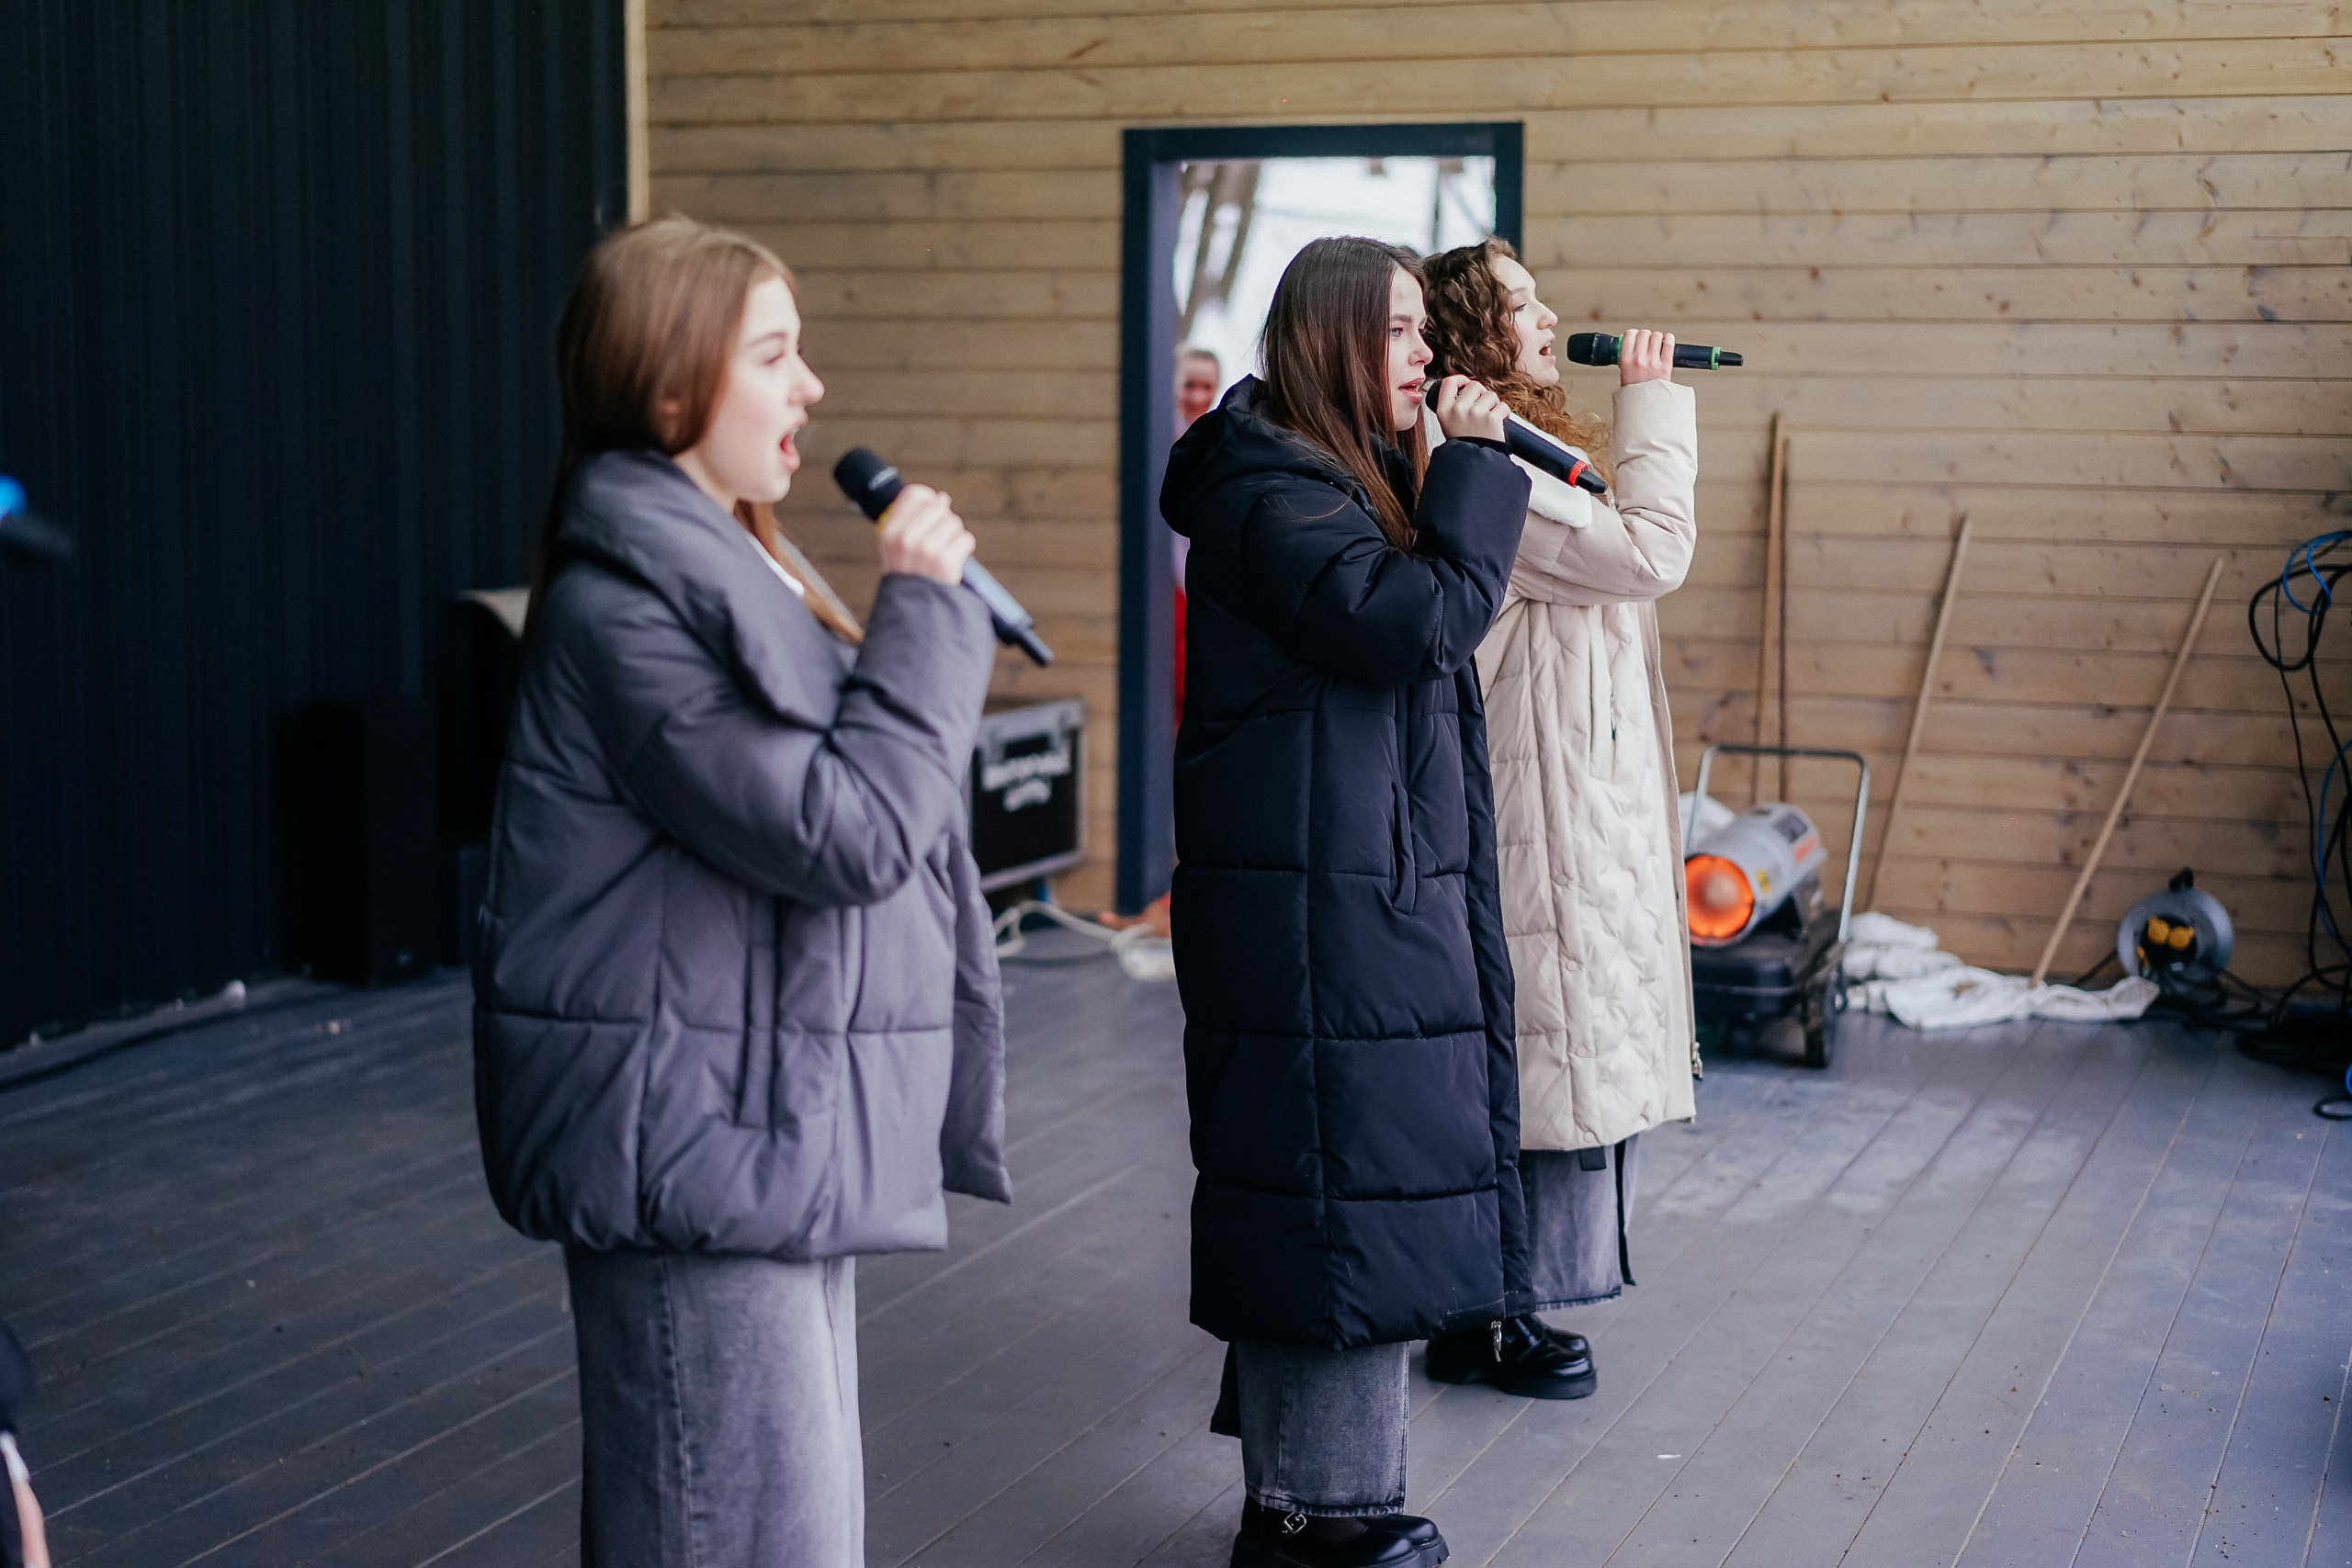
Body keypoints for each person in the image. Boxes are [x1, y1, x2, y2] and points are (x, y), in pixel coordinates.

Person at [472, 215, 1010, 1568]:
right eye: (774, 353)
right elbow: (846, 829)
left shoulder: (740, 562)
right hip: (696, 1154)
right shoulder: (629, 609)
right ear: (667, 389)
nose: (810, 387)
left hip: (762, 1132)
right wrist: (933, 616)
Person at [1163, 235, 1546, 1568]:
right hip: (1316, 911)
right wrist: (1481, 472)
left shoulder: (1333, 475)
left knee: (1349, 1187)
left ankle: (1320, 1493)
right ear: (1327, 340)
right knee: (1339, 1188)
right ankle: (1314, 1514)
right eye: (1395, 331)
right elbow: (1410, 620)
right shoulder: (1276, 493)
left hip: (1348, 891)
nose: (1424, 351)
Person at [1417, 239, 1700, 1398]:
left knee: (1557, 1057)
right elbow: (1652, 553)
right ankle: (1483, 1316)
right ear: (1464, 337)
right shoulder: (1486, 463)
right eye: (1516, 304)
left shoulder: (1526, 445)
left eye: (1538, 297)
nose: (1544, 317)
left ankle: (1505, 1305)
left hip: (1576, 790)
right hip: (1539, 800)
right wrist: (1653, 405)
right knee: (1537, 1060)